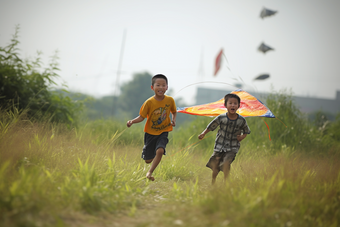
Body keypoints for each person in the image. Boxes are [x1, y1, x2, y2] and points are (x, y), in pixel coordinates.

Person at [127, 74, 177, 181]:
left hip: (164, 131)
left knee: (160, 151)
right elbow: (142, 117)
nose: (161, 87)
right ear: (152, 87)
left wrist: (173, 120)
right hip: (150, 133)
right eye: (158, 85)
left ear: (167, 87)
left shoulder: (170, 100)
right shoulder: (149, 102)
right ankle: (152, 158)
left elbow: (174, 111)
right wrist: (132, 121)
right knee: (148, 160)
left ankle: (149, 173)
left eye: (163, 85)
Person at [198, 93, 250, 184]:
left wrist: (242, 137)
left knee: (226, 163)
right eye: (230, 103)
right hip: (219, 145)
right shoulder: (221, 117)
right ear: (225, 105)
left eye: (235, 103)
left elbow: (246, 131)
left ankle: (226, 182)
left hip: (233, 147)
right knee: (216, 166)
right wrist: (203, 133)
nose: (233, 105)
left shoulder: (241, 120)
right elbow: (211, 126)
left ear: (238, 106)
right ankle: (213, 182)